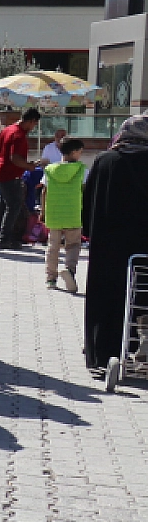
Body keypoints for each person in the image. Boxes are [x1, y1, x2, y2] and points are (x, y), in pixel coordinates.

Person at [83, 116, 148, 371]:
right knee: (140, 298)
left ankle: (101, 354)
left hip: (108, 247)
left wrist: (90, 232)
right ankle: (138, 349)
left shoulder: (105, 160)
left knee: (106, 298)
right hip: (143, 247)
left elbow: (87, 204)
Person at [42, 135, 85, 292]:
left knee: (53, 246)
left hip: (54, 213)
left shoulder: (50, 169)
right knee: (73, 245)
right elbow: (85, 190)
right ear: (74, 152)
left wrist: (43, 211)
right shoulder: (81, 170)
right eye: (80, 151)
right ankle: (70, 270)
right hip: (73, 213)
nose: (81, 154)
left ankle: (50, 279)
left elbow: (44, 191)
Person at [0, 107, 40, 249]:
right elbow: (15, 158)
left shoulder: (7, 130)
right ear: (31, 121)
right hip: (10, 175)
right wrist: (29, 166)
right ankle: (5, 239)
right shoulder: (18, 135)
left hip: (0, 173)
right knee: (14, 207)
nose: (34, 128)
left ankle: (5, 236)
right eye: (34, 124)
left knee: (6, 206)